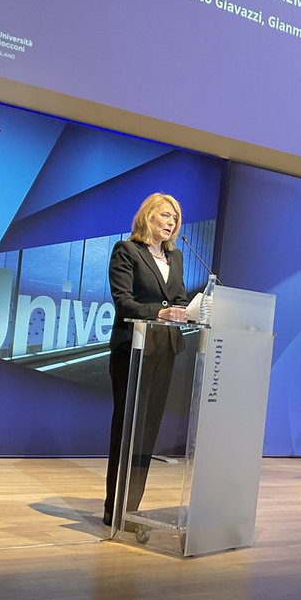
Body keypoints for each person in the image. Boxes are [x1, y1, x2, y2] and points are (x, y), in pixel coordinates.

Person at [103, 193, 190, 527]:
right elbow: (124, 302)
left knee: (148, 432)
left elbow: (178, 297)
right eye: (165, 216)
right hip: (133, 351)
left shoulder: (176, 257)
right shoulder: (127, 251)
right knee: (128, 431)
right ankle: (114, 509)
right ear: (148, 216)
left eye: (175, 218)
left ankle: (132, 509)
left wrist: (187, 310)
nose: (170, 223)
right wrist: (161, 311)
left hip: (165, 349)